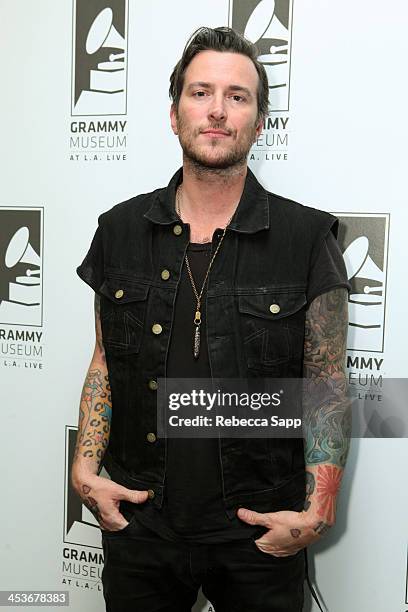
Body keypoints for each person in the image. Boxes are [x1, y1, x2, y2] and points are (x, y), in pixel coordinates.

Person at [72, 26, 351, 612]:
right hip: (140, 523)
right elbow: (104, 361)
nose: (218, 110)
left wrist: (319, 505)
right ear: (174, 115)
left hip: (259, 533)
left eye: (238, 96)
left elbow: (326, 384)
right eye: (200, 93)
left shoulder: (307, 238)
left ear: (259, 120)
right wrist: (84, 468)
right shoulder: (118, 231)